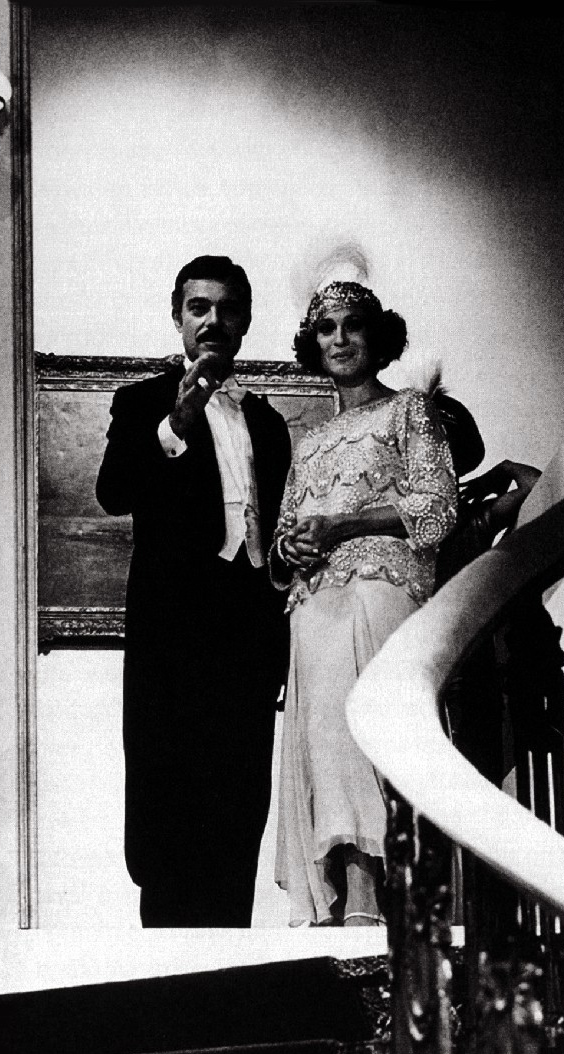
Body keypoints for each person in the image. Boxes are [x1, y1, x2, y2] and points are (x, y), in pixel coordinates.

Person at [96, 255, 292, 927]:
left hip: (248, 650)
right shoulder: (140, 402)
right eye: (198, 307)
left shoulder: (267, 421)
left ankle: (233, 967)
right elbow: (113, 492)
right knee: (167, 826)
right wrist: (176, 424)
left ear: (244, 321)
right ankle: (170, 978)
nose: (212, 320)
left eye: (227, 308)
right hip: (172, 651)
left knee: (239, 817)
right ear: (177, 316)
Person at [269, 280, 458, 927]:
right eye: (327, 329)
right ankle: (345, 896)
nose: (340, 339)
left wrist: (345, 525)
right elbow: (281, 544)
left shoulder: (409, 411)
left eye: (352, 325)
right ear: (313, 343)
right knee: (324, 744)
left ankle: (379, 901)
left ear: (377, 338)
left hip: (380, 595)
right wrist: (292, 547)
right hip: (314, 610)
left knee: (373, 737)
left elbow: (437, 509)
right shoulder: (308, 443)